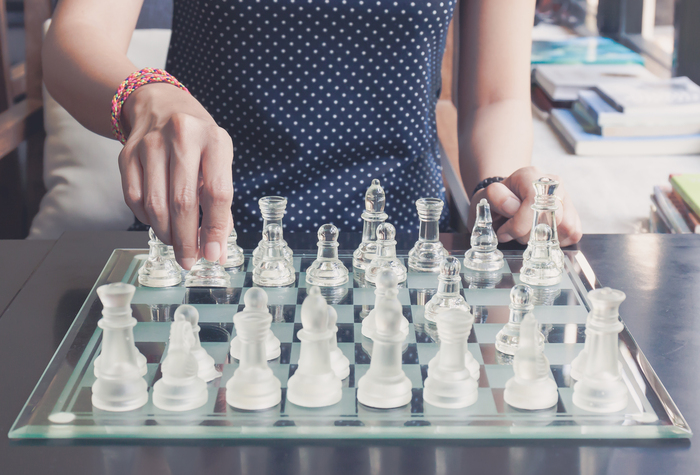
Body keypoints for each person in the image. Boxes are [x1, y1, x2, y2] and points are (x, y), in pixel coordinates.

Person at [43, 0, 581, 270]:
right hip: (202, 248)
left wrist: (503, 181)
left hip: (406, 257)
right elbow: (76, 34)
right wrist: (146, 95)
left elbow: (495, 97)